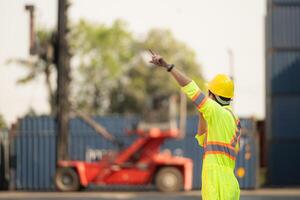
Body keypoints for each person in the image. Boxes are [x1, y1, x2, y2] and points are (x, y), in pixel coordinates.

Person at [149, 51, 241, 200]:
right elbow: (202, 138)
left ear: (212, 95)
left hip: (217, 181)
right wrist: (202, 114)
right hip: (228, 181)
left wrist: (168, 66)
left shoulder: (216, 111)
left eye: (208, 92)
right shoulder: (232, 119)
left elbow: (191, 88)